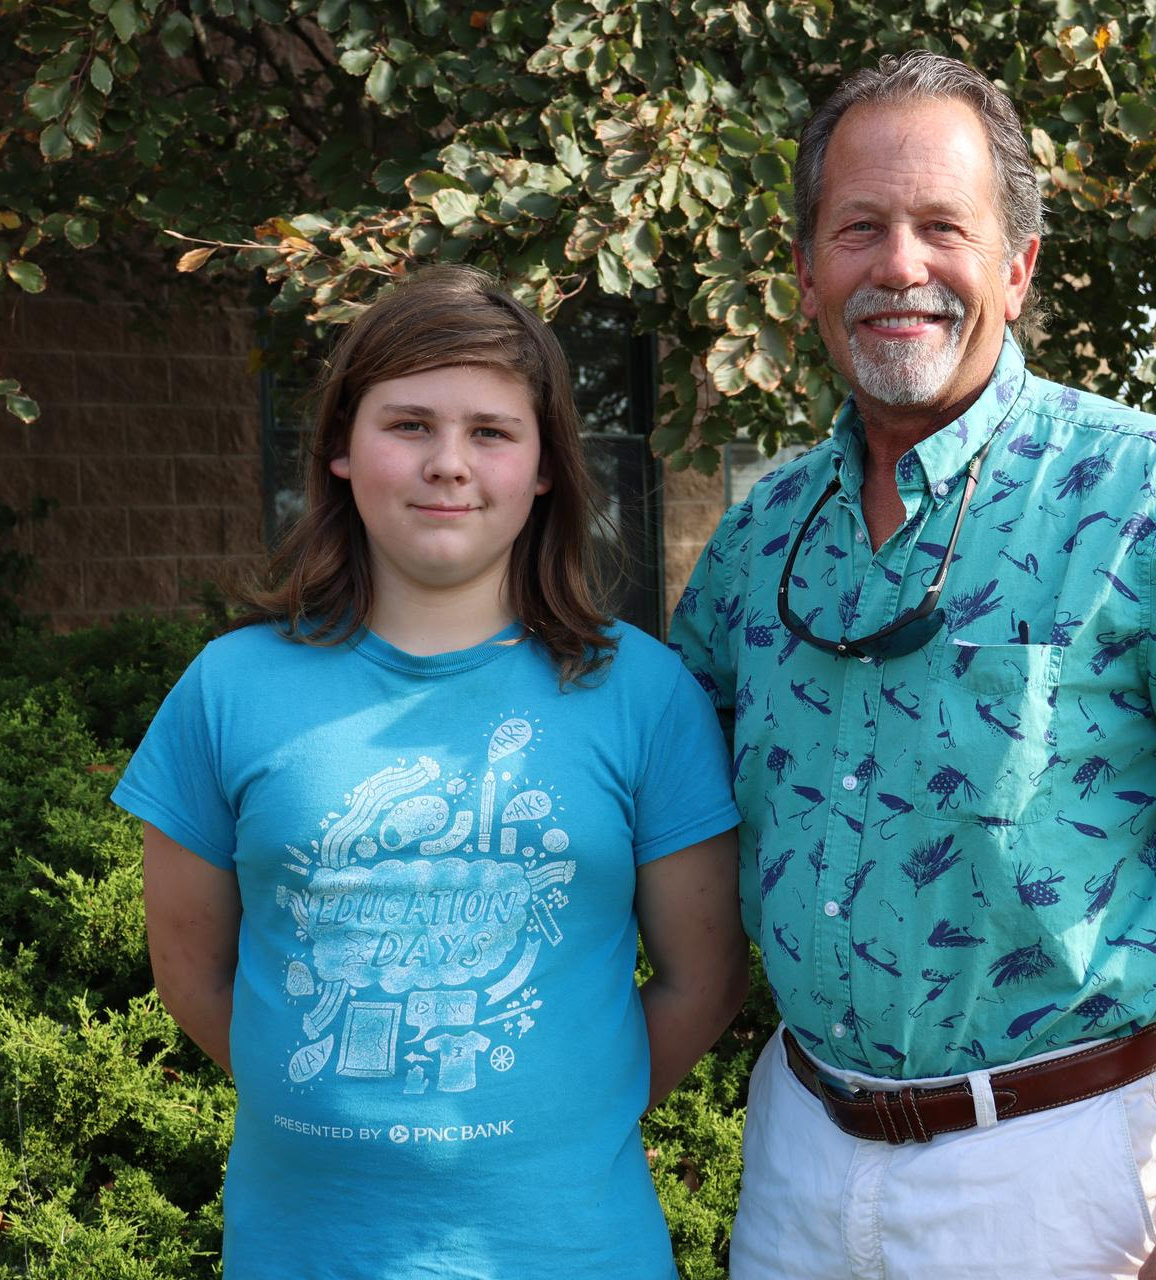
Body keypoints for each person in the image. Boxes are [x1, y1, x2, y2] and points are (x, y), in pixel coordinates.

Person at [668, 52, 1156, 1279]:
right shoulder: (759, 536)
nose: (900, 266)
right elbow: (664, 805)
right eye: (859, 229)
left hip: (1062, 1174)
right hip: (798, 1156)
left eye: (945, 226)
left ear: (1017, 265)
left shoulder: (1151, 495)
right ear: (804, 275)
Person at [115, 265, 746, 1279]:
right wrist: (321, 1097)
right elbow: (193, 970)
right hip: (305, 1251)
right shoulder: (228, 687)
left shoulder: (644, 693)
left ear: (545, 466)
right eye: (407, 423)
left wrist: (565, 1115)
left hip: (574, 1249)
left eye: (492, 431)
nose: (448, 463)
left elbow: (704, 979)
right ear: (338, 450)